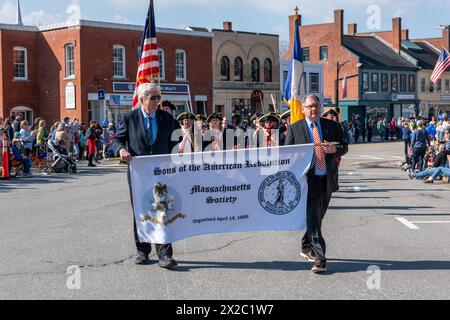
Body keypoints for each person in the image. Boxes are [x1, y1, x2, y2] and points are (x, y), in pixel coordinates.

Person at [113, 82, 178, 269]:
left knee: (162, 210)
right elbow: (118, 140)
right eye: (153, 97)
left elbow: (177, 139)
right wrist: (121, 150)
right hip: (138, 174)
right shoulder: (129, 118)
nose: (157, 101)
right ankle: (142, 250)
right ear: (142, 100)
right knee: (141, 211)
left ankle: (165, 254)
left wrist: (183, 147)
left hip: (162, 173)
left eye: (159, 97)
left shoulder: (167, 118)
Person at [285, 94, 348, 273]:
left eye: (316, 106)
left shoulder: (332, 126)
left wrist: (336, 149)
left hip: (327, 179)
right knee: (313, 216)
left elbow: (345, 146)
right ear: (303, 109)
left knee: (318, 217)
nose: (314, 109)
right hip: (308, 181)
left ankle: (306, 245)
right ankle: (320, 258)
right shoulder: (295, 129)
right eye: (310, 106)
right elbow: (288, 157)